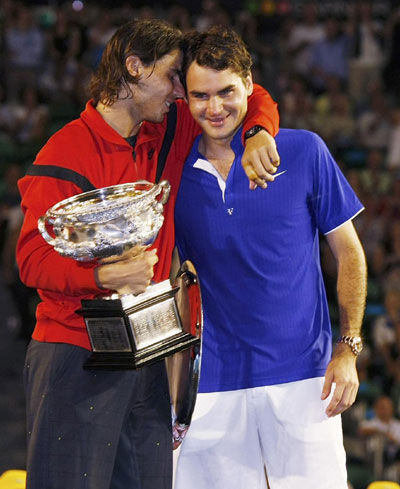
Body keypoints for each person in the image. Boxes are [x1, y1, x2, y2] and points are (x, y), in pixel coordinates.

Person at [16, 19, 280, 489]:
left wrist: (259, 131)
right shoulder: (65, 151)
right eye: (173, 75)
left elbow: (247, 92)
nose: (181, 91)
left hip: (148, 352)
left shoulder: (167, 128)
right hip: (75, 352)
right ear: (134, 68)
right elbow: (31, 260)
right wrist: (103, 277)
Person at [173, 26, 367, 489]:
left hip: (305, 378)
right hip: (209, 384)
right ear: (185, 96)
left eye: (226, 92)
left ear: (248, 84)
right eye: (201, 96)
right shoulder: (171, 172)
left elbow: (350, 254)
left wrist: (349, 347)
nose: (214, 108)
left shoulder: (303, 151)